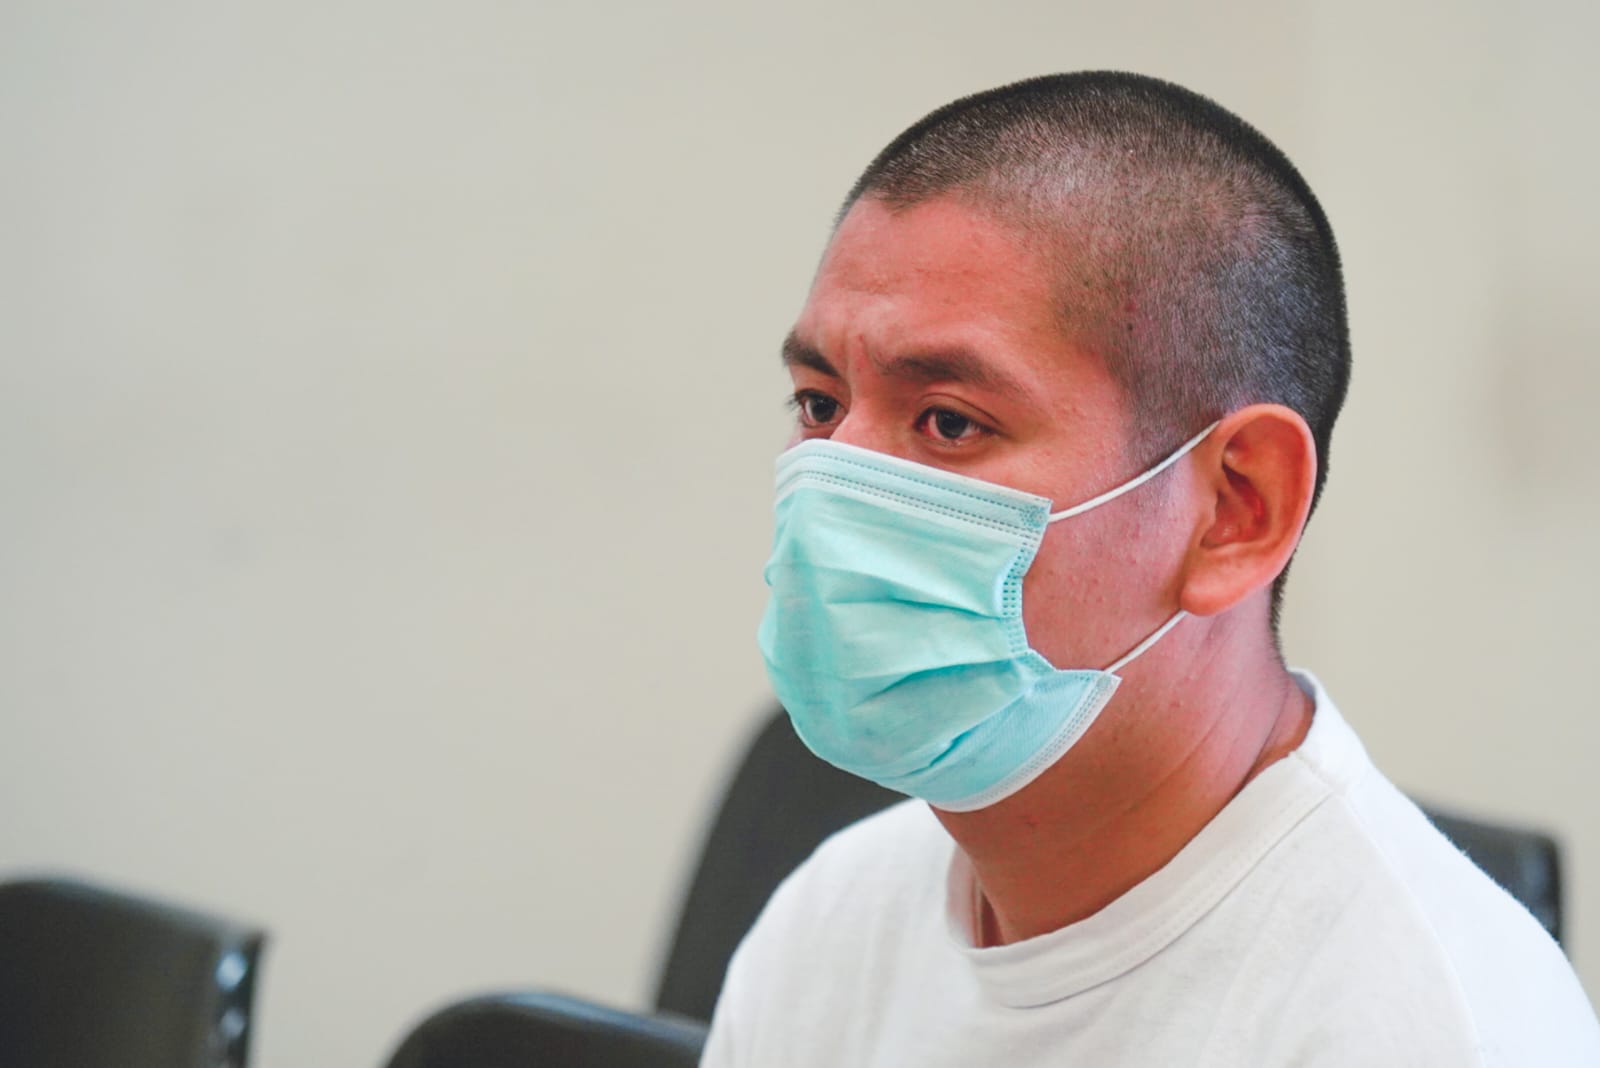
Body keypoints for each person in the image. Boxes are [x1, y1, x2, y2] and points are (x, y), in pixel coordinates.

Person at [701, 71, 1600, 1065]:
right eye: (820, 405)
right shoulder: (830, 925)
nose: (836, 487)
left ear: (1235, 510)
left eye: (949, 422)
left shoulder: (1418, 1027)